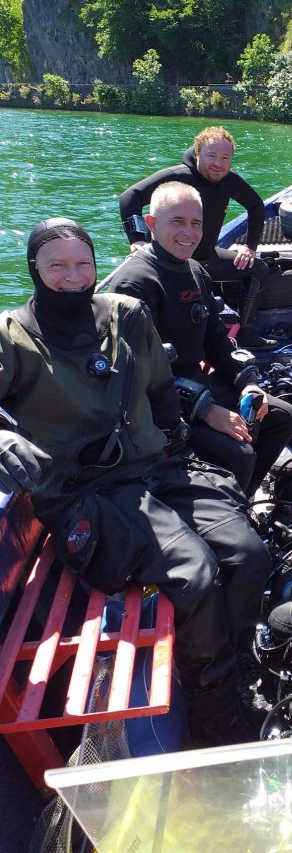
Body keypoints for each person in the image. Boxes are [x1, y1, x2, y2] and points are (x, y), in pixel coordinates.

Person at [0, 217, 272, 745]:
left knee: (249, 555)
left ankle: (231, 667)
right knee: (194, 574)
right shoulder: (12, 337)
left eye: (83, 264)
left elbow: (162, 391)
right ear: (34, 269)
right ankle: (215, 712)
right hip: (87, 493)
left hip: (156, 468)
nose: (73, 276)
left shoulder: (126, 316)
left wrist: (189, 440)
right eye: (56, 266)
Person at [108, 183, 292, 498]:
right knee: (238, 453)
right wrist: (207, 410)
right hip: (156, 405)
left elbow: (215, 339)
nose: (189, 232)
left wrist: (248, 382)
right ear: (152, 224)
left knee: (281, 417)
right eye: (177, 222)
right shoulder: (135, 283)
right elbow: (139, 374)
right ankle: (224, 516)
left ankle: (241, 500)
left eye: (196, 223)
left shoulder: (195, 271)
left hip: (194, 384)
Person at [118, 126, 271, 345]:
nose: (218, 163)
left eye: (225, 158)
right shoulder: (178, 177)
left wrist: (250, 247)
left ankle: (245, 331)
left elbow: (256, 206)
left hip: (207, 259)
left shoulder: (230, 181)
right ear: (198, 153)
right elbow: (129, 198)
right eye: (211, 156)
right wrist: (137, 240)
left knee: (258, 269)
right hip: (170, 264)